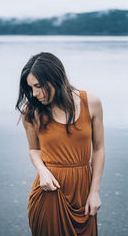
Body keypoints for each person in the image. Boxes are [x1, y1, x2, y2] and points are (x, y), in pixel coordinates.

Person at [16, 52, 105, 236]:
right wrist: (42, 171)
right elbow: (34, 149)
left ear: (55, 78)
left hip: (83, 191)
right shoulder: (31, 111)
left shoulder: (92, 103)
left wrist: (94, 191)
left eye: (39, 86)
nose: (34, 94)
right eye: (31, 87)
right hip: (49, 191)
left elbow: (98, 149)